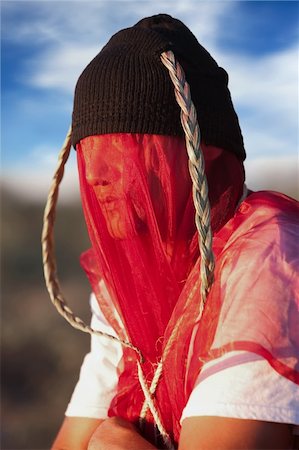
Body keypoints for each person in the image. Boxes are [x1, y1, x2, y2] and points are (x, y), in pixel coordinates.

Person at [51, 14, 299, 450]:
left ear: (200, 153)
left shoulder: (268, 258)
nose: (96, 176)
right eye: (89, 151)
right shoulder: (123, 284)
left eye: (122, 145)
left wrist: (115, 443)